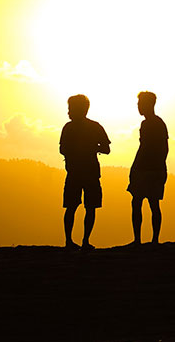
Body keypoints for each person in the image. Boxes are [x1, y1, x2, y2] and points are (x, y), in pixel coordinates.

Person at [59, 94, 111, 249]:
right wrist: (92, 148)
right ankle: (83, 241)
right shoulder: (94, 127)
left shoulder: (69, 128)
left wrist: (87, 148)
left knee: (74, 207)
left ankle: (72, 241)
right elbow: (106, 149)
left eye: (70, 108)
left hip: (78, 173)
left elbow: (62, 149)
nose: (68, 112)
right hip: (88, 172)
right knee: (88, 207)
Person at [127, 91, 168, 246]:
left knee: (148, 203)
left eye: (140, 103)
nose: (138, 107)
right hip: (147, 168)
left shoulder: (156, 123)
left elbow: (163, 148)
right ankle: (145, 240)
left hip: (150, 169)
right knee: (145, 203)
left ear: (148, 104)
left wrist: (155, 166)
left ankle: (150, 240)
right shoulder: (150, 123)